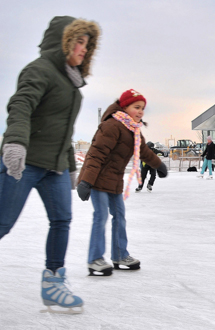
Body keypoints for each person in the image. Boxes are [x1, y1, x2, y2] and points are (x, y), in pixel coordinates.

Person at [0, 16, 100, 313]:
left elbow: (63, 131)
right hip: (26, 161)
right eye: (79, 41)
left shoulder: (72, 86)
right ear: (64, 42)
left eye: (87, 44)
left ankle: (53, 283)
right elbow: (21, 105)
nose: (83, 49)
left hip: (53, 167)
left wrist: (70, 165)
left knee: (61, 221)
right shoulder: (39, 70)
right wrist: (15, 143)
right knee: (2, 223)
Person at [76, 89, 168, 276]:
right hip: (96, 179)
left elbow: (143, 151)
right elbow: (96, 154)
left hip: (114, 181)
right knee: (100, 216)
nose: (141, 112)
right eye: (136, 107)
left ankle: (119, 255)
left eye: (142, 108)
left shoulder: (133, 130)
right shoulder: (112, 126)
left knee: (120, 216)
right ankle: (94, 259)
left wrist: (158, 165)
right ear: (124, 107)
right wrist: (86, 181)